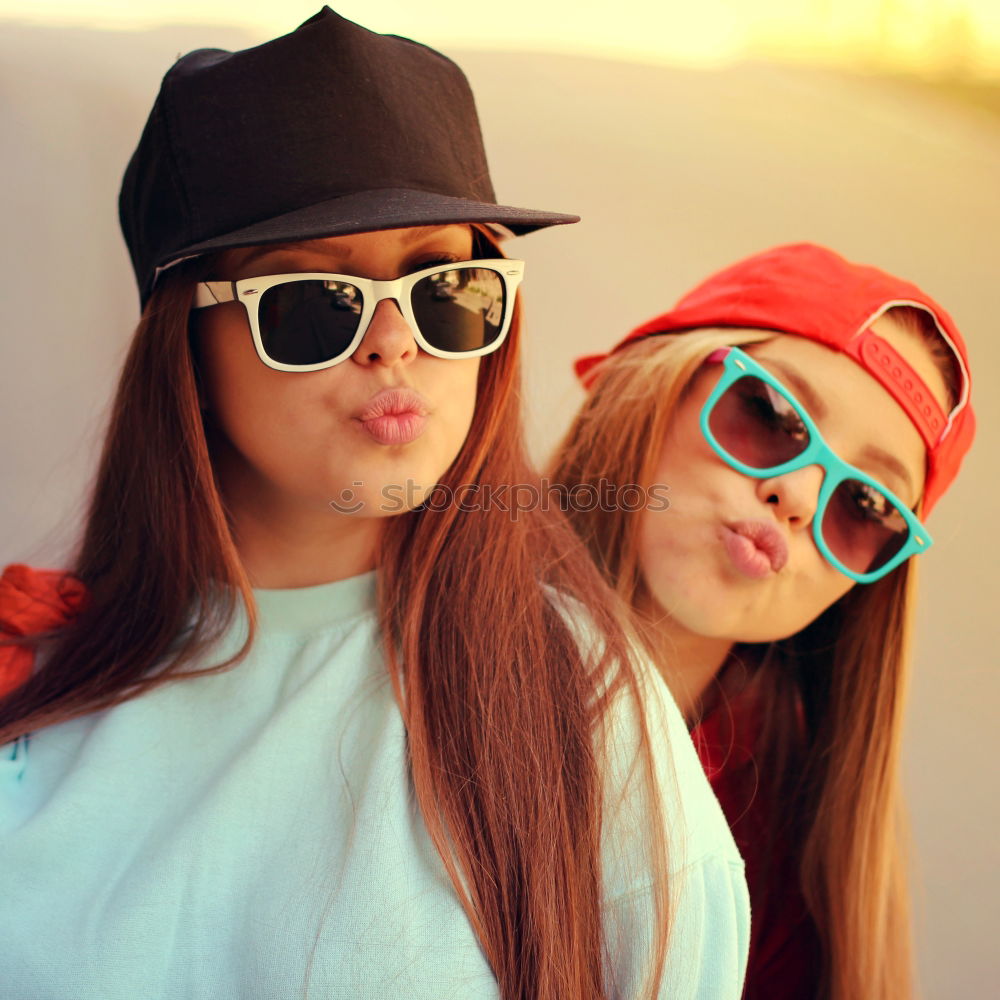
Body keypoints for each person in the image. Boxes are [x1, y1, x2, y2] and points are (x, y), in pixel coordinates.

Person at [0, 9, 750, 999]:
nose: (396, 344)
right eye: (313, 302)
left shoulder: (584, 710)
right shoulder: (37, 690)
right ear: (183, 347)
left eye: (449, 288)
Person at [549, 242, 975, 1000]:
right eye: (774, 414)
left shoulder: (790, 853)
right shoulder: (396, 606)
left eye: (867, 504)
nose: (799, 494)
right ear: (662, 382)